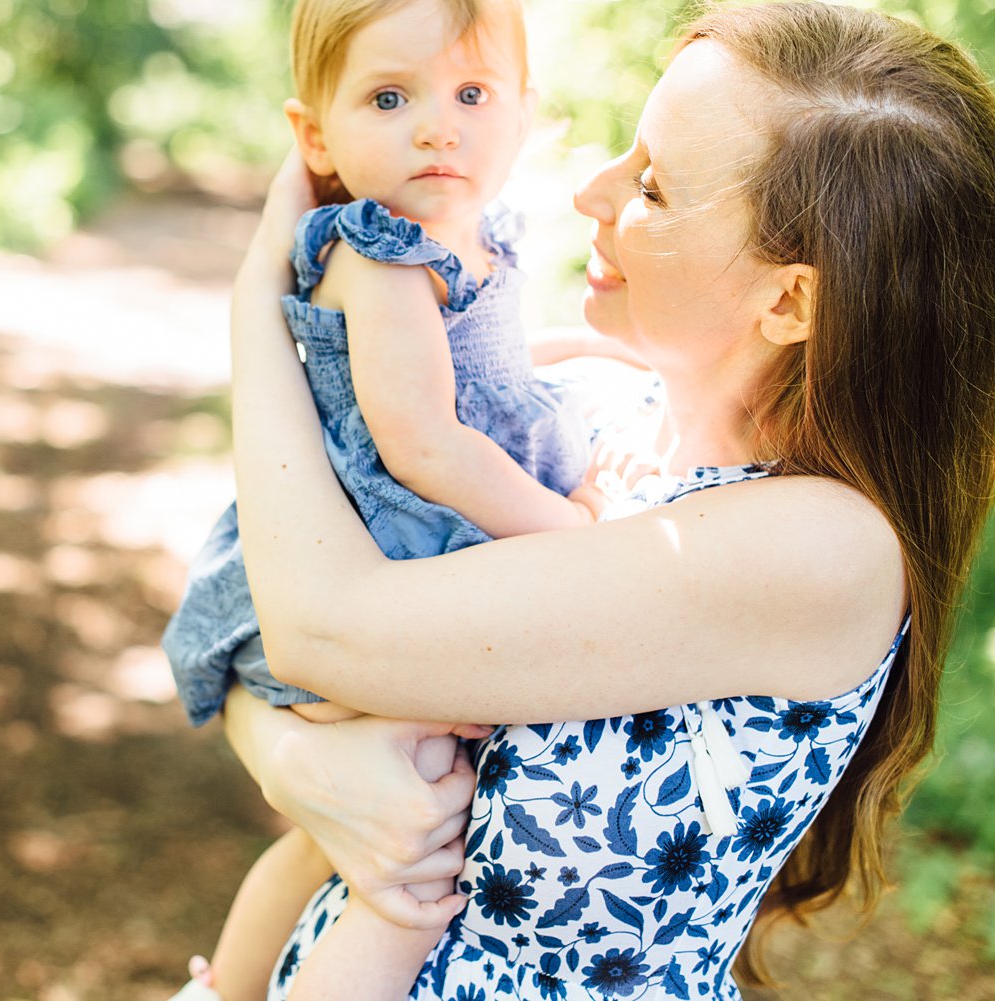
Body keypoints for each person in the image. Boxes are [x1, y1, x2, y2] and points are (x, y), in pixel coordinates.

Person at [210, 3, 995, 999]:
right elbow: (263, 589)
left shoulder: (819, 548)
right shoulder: (591, 407)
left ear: (789, 300)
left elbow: (319, 628)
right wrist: (290, 758)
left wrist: (254, 308)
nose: (592, 189)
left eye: (654, 186)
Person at [161, 0, 616, 996]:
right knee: (406, 847)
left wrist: (582, 351)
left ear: (522, 113)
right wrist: (574, 532)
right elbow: (423, 442)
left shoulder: (476, 231)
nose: (436, 126)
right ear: (315, 137)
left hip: (412, 559)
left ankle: (221, 989)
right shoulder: (378, 256)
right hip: (375, 566)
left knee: (334, 841)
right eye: (389, 97)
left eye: (470, 93)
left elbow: (474, 376)